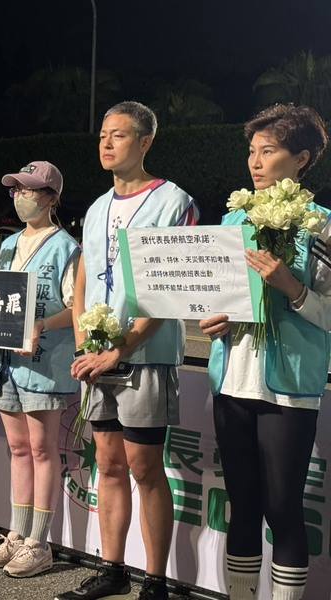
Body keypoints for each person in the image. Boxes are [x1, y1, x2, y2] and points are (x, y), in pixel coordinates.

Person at [56, 102, 198, 600]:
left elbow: (172, 284)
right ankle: (112, 569)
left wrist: (123, 346)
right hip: (97, 356)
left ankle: (155, 580)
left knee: (145, 466)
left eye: (118, 135)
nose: (106, 143)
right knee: (109, 464)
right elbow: (83, 277)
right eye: (102, 135)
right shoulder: (96, 208)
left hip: (146, 353)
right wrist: (82, 337)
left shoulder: (172, 201)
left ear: (145, 142)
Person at [199, 104, 330, 600]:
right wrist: (214, 320)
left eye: (268, 152)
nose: (255, 163)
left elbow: (329, 312)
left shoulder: (321, 227)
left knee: (283, 509)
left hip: (290, 387)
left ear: (301, 159)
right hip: (231, 379)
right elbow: (216, 298)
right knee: (244, 504)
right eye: (251, 152)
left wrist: (290, 286)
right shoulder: (234, 218)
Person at [0, 161, 80, 577]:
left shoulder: (65, 247)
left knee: (42, 450)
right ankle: (17, 534)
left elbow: (77, 306)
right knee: (18, 448)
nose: (21, 196)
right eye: (16, 190)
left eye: (31, 190)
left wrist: (42, 324)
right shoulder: (5, 245)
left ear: (51, 198)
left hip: (44, 364)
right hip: (3, 362)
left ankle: (40, 541)